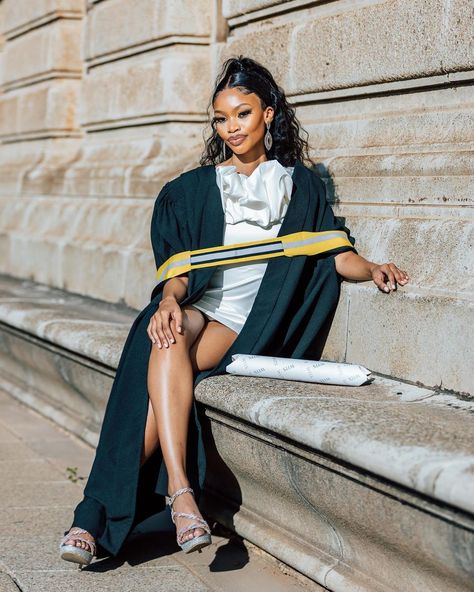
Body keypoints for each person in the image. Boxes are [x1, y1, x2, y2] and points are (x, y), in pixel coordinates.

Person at [59, 55, 409, 565]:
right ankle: (181, 492)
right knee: (167, 333)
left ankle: (93, 513)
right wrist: (170, 301)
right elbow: (178, 269)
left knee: (155, 387)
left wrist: (372, 266)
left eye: (242, 115)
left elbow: (334, 251)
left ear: (268, 114)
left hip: (251, 323)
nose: (231, 128)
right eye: (221, 119)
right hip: (204, 306)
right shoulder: (192, 190)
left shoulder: (300, 186)